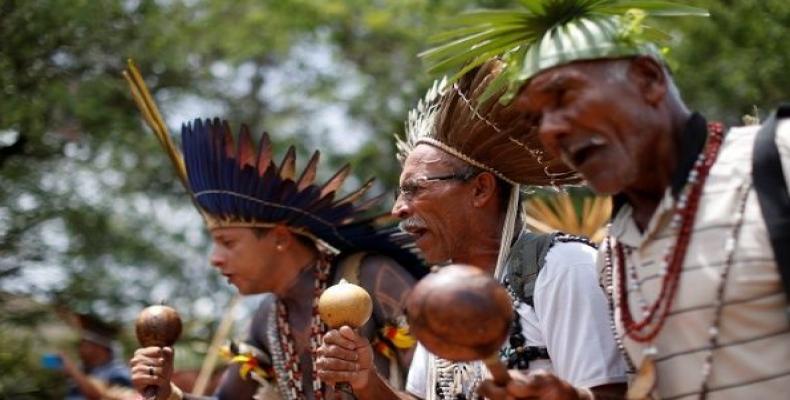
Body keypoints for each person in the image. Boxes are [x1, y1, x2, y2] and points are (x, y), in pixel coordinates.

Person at [422, 0, 790, 398]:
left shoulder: (776, 160)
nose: (552, 130)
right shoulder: (615, 252)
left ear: (648, 80)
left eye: (564, 96)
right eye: (536, 119)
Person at [315, 59, 628, 399]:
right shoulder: (442, 294)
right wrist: (367, 381)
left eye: (414, 188)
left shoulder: (563, 267)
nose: (398, 209)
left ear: (480, 189)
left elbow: (609, 394)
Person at [123, 65, 423, 400]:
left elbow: (437, 389)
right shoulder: (269, 316)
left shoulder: (371, 276)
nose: (215, 260)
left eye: (228, 242)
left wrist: (368, 384)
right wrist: (167, 392)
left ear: (281, 237)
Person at [61, 314, 135, 400]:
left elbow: (100, 395)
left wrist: (73, 371)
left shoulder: (118, 373)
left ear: (99, 348)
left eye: (85, 344)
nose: (80, 348)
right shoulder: (85, 369)